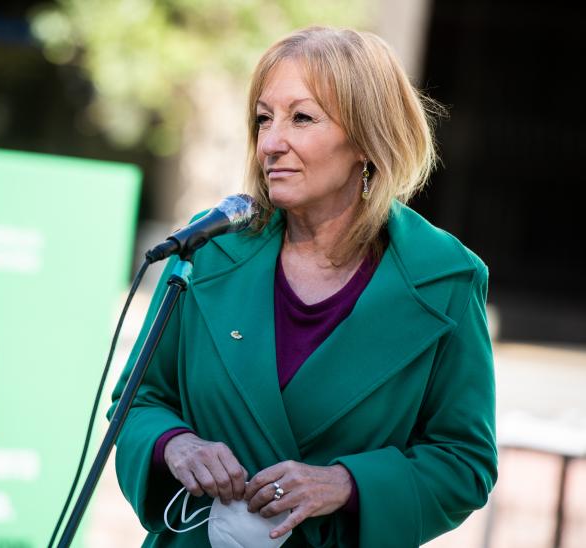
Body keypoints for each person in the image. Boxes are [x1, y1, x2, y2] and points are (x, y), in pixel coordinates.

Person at [109, 25, 497, 547]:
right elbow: (137, 402)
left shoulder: (445, 278)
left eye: (302, 118)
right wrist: (175, 445)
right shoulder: (208, 248)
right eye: (264, 119)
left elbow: (464, 461)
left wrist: (345, 483)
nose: (271, 142)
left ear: (367, 138)